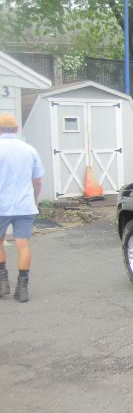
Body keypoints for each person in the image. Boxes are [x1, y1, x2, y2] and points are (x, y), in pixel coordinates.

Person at [0, 114, 44, 302]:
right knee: (23, 244)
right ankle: (22, 288)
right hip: (25, 205)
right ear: (17, 130)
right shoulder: (29, 150)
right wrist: (34, 198)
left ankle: (2, 283)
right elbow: (38, 180)